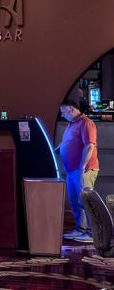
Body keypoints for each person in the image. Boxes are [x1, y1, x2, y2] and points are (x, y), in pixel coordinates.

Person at [60, 99, 100, 243]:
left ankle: (92, 233)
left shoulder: (86, 123)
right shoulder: (72, 124)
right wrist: (58, 149)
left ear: (71, 109)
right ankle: (80, 229)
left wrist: (82, 166)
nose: (62, 114)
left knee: (86, 202)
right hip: (72, 170)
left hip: (83, 169)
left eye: (63, 111)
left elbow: (89, 146)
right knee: (75, 202)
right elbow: (68, 141)